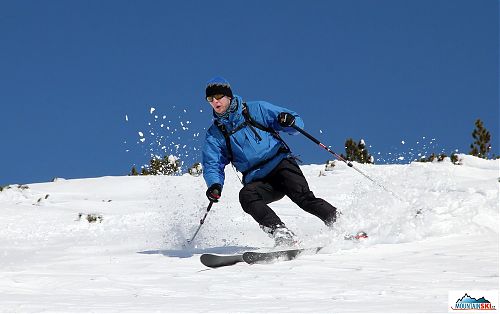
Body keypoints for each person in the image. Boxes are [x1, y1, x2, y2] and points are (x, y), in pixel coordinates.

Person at [201, 76, 337, 247]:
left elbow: (295, 122)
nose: (215, 101)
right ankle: (282, 233)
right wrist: (214, 185)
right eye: (210, 99)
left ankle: (343, 224)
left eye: (219, 96)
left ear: (229, 96)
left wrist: (288, 120)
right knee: (246, 196)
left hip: (281, 164)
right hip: (258, 179)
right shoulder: (215, 133)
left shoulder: (255, 109)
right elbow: (212, 163)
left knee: (304, 199)